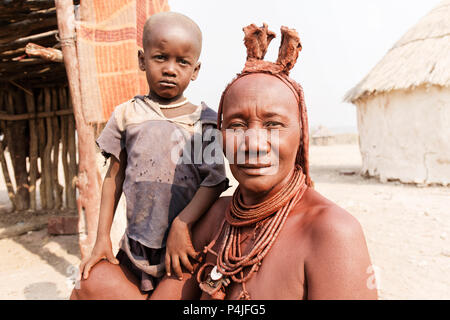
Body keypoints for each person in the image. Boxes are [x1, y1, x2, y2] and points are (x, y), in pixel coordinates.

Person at [148, 24, 378, 300]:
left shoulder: (332, 232)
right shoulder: (216, 217)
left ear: (301, 135)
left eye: (273, 124)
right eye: (236, 125)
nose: (253, 144)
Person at [70, 12, 228, 300]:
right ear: (143, 60)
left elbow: (215, 181)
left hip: (183, 250)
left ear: (195, 69)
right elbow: (113, 178)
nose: (170, 69)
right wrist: (101, 238)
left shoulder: (204, 122)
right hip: (135, 249)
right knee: (85, 285)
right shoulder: (126, 115)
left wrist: (183, 224)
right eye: (160, 57)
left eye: (182, 62)